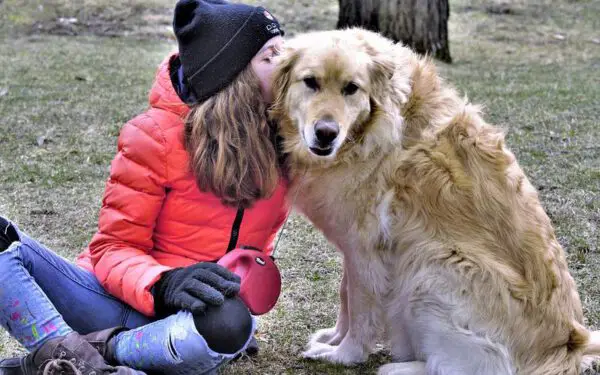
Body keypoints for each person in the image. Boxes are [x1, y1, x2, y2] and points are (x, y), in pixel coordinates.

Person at [0, 0, 288, 374]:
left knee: (230, 324)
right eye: (270, 56)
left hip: (191, 324)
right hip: (111, 301)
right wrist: (164, 283)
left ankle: (82, 357)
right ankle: (67, 353)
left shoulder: (289, 139)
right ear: (232, 75)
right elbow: (112, 249)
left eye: (285, 50)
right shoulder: (153, 136)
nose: (287, 65)